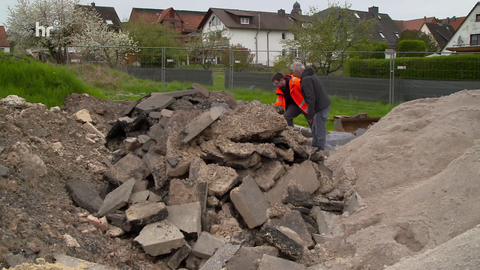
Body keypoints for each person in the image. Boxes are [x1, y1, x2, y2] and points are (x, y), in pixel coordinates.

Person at [290, 62, 331, 151]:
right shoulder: (310, 75)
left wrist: (310, 115)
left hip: (321, 106)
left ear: (297, 71)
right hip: (322, 105)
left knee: (320, 130)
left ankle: (321, 151)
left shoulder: (306, 80)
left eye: (293, 71)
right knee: (315, 128)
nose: (293, 74)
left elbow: (310, 98)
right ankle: (314, 148)